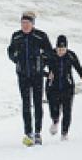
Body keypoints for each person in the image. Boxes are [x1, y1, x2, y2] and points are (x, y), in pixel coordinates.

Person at [7, 11, 51, 146]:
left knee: (37, 103)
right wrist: (16, 59)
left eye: (27, 23)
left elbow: (49, 52)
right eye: (23, 23)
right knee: (26, 103)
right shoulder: (16, 36)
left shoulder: (40, 36)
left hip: (37, 75)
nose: (25, 26)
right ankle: (28, 133)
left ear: (33, 24)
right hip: (23, 75)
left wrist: (42, 61)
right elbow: (10, 50)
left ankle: (37, 132)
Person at [45, 35, 82, 140]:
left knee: (67, 111)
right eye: (59, 49)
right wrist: (47, 74)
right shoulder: (49, 55)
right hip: (52, 87)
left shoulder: (71, 55)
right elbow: (39, 67)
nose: (60, 51)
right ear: (55, 48)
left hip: (67, 87)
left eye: (63, 49)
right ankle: (55, 121)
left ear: (66, 48)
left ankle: (64, 133)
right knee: (53, 109)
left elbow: (77, 66)